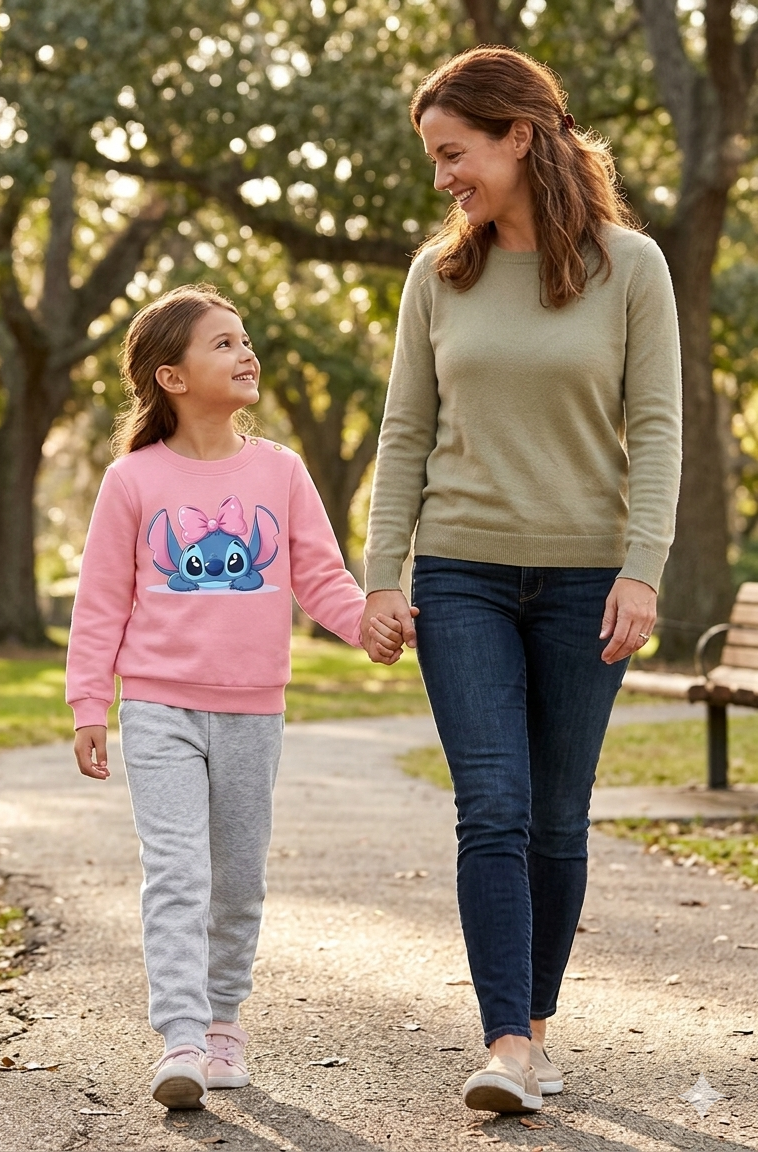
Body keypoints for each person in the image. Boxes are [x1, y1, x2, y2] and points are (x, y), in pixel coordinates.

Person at [361, 47, 682, 1114]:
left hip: (590, 577)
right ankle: (505, 1042)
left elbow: (658, 427)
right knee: (490, 805)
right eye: (434, 159)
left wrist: (643, 570)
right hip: (463, 575)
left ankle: (534, 1032)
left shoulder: (630, 266)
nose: (445, 176)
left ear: (521, 135)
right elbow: (405, 434)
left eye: (456, 153)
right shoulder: (436, 276)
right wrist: (381, 576)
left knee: (556, 813)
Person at [66, 283, 401, 1111]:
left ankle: (222, 1022)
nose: (245, 353)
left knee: (238, 876)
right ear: (171, 377)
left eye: (244, 340)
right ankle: (179, 1036)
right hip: (157, 707)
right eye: (223, 343)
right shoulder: (131, 480)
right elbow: (100, 601)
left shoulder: (279, 472)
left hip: (254, 708)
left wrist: (365, 623)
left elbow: (317, 573)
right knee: (176, 871)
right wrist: (87, 705)